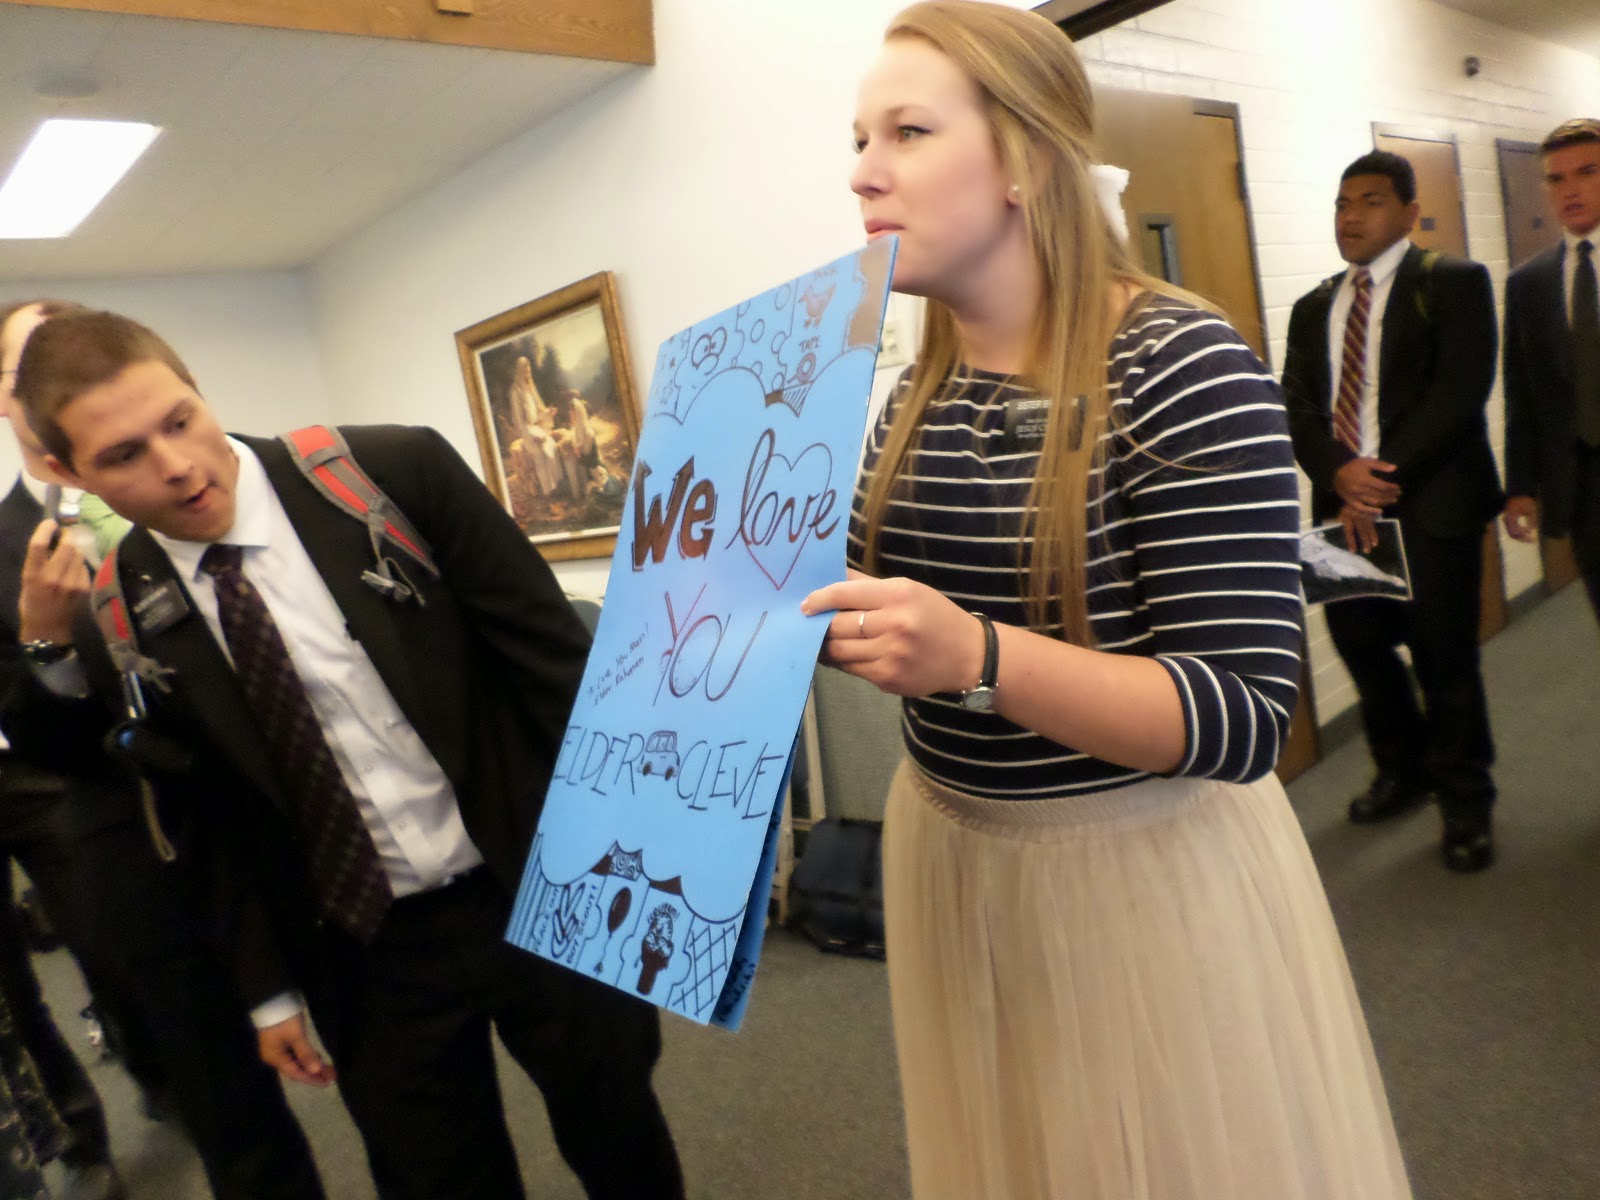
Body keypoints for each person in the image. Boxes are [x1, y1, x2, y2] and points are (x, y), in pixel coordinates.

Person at [800, 5, 1411, 1197]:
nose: (862, 171)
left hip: (1129, 876)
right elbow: (904, 620)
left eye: (907, 132)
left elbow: (1238, 717)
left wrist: (976, 658)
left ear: (1025, 161)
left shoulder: (1179, 365)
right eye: (859, 138)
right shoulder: (909, 395)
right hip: (952, 857)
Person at [6, 309, 684, 1200]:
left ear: (198, 390)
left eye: (179, 420)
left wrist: (641, 857)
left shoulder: (389, 474)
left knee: (619, 1130)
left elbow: (558, 670)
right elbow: (209, 825)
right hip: (363, 948)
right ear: (65, 473)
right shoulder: (120, 611)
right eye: (124, 454)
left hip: (535, 880)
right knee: (439, 1178)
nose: (176, 465)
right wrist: (268, 992)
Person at [1, 299, 330, 1200]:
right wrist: (45, 643)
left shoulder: (217, 478)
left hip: (285, 815)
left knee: (398, 1059)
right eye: (29, 362)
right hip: (139, 847)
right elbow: (37, 740)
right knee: (229, 1108)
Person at [1283, 151, 1502, 872]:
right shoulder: (1314, 305)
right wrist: (1338, 473)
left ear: (1409, 213)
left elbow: (1460, 392)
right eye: (1342, 203)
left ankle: (1465, 801)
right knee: (1363, 649)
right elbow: (1298, 407)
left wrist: (1375, 478)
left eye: (1370, 201)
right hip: (1341, 513)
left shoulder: (1454, 283)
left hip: (1430, 506)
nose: (1351, 217)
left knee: (1445, 660)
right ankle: (1401, 770)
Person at [1503, 118, 1600, 627]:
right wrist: (1520, 484)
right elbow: (1522, 392)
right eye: (1556, 179)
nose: (1570, 189)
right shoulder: (1529, 283)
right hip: (1584, 488)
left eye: (1587, 172)